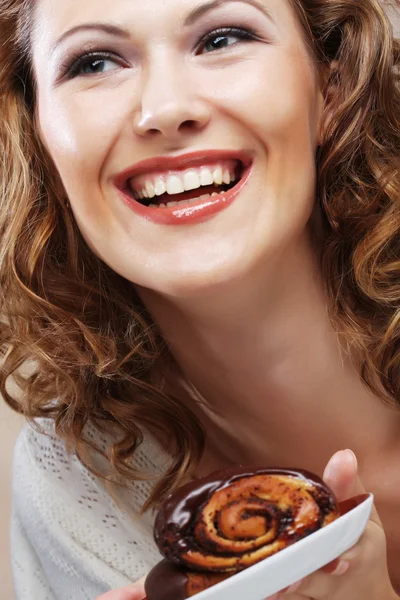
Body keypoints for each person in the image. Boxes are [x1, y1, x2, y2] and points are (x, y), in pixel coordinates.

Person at [0, 0, 399, 598]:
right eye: (95, 62)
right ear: (43, 143)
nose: (166, 110)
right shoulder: (75, 487)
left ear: (332, 88)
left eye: (222, 38)